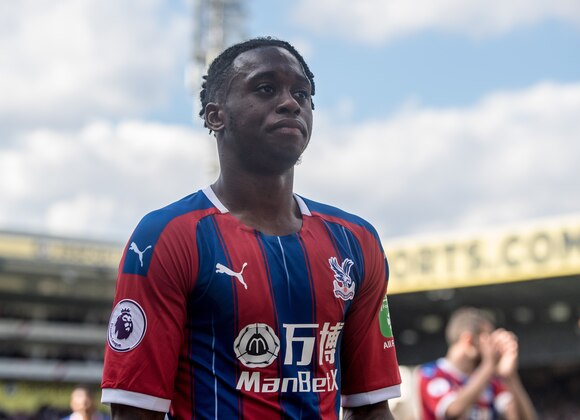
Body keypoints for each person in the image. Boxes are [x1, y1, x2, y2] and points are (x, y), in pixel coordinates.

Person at [100, 37, 401, 419]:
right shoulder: (168, 237)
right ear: (215, 116)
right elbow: (134, 411)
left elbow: (372, 407)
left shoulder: (356, 241)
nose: (292, 102)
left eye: (303, 94)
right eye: (265, 88)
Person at [417, 307, 536, 420]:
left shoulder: (491, 380)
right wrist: (489, 365)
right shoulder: (431, 373)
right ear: (468, 340)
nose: (491, 346)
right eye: (486, 339)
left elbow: (524, 418)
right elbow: (454, 411)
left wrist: (509, 377)